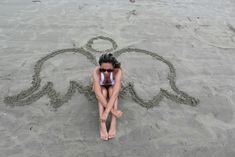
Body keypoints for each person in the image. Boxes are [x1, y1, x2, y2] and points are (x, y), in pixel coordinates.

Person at [92, 53, 123, 140]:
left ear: (113, 67)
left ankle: (113, 122)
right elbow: (98, 94)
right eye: (103, 70)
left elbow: (115, 94)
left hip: (112, 88)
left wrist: (107, 113)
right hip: (100, 87)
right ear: (100, 67)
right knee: (104, 92)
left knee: (111, 91)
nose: (106, 72)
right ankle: (102, 123)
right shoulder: (96, 71)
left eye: (109, 70)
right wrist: (113, 111)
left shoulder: (118, 71)